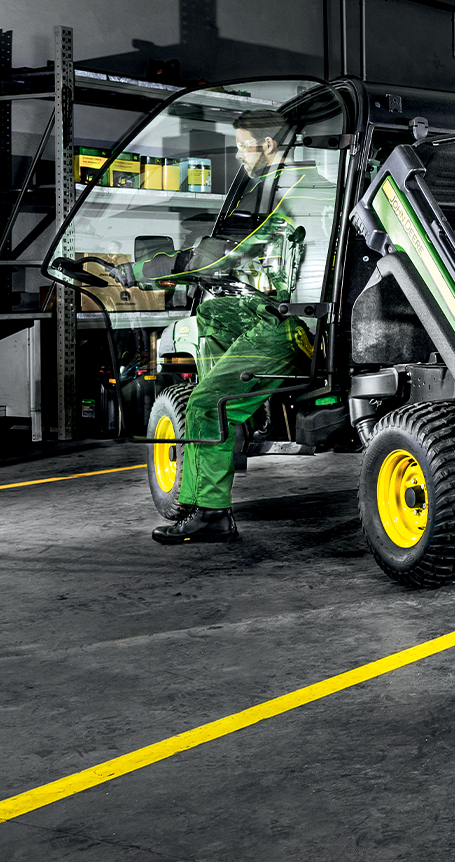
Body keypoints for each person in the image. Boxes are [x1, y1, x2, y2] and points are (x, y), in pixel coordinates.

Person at [132, 110, 334, 544]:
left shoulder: (293, 192)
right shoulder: (298, 185)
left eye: (244, 145)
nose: (240, 155)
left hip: (294, 324)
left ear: (267, 146)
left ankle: (212, 513)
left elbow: (231, 254)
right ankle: (244, 414)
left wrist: (149, 268)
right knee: (210, 315)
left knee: (205, 404)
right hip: (285, 308)